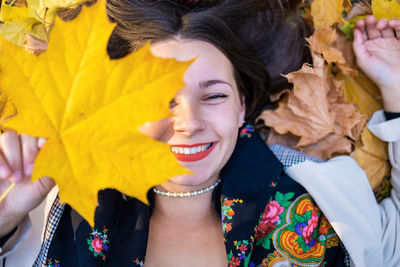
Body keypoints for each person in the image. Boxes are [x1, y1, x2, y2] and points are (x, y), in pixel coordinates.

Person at [0, 0, 399, 266]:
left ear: (241, 103)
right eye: (158, 100)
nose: (189, 123)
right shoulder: (48, 203)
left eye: (213, 96)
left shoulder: (328, 191)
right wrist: (5, 219)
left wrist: (396, 87)